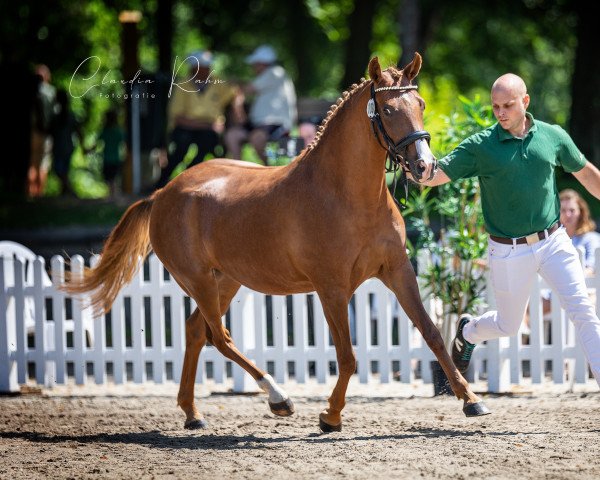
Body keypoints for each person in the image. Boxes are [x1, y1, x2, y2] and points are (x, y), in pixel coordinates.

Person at [417, 73, 600, 387]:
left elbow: (585, 173)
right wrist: (417, 162)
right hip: (508, 250)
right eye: (496, 106)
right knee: (508, 325)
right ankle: (469, 331)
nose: (501, 112)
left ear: (525, 102)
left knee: (584, 311)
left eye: (508, 105)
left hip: (553, 241)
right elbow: (435, 175)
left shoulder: (553, 136)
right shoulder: (481, 146)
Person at [156, 50, 243, 188]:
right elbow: (178, 118)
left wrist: (237, 109)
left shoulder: (217, 82)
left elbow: (235, 93)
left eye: (208, 67)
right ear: (194, 68)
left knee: (208, 145)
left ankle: (187, 178)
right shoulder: (183, 84)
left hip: (209, 130)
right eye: (203, 67)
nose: (207, 70)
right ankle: (163, 182)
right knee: (181, 148)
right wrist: (208, 125)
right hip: (187, 128)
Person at [224, 45, 297, 165]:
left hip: (275, 124)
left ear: (262, 63)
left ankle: (268, 170)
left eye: (254, 64)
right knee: (232, 136)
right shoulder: (268, 77)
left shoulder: (275, 72)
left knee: (256, 138)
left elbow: (247, 88)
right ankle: (237, 170)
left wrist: (234, 86)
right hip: (258, 125)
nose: (253, 67)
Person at [28, 64, 56, 197]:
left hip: (34, 131)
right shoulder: (51, 92)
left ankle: (31, 191)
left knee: (33, 162)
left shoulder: (31, 91)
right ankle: (39, 193)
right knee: (43, 163)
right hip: (46, 133)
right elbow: (55, 114)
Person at [50, 88, 84, 196]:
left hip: (60, 148)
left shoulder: (58, 117)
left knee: (60, 170)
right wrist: (82, 146)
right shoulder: (67, 116)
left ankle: (69, 190)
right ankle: (65, 191)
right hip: (67, 147)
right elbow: (79, 132)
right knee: (62, 170)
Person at [559, 189, 600, 274]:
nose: (568, 215)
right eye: (563, 210)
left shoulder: (591, 238)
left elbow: (592, 267)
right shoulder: (554, 239)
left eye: (572, 210)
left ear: (581, 212)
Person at [97, 109, 125, 198]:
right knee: (113, 179)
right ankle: (113, 195)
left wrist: (87, 150)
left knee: (109, 179)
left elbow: (96, 143)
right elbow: (124, 142)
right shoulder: (119, 131)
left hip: (107, 159)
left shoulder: (106, 131)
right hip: (116, 159)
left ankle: (112, 196)